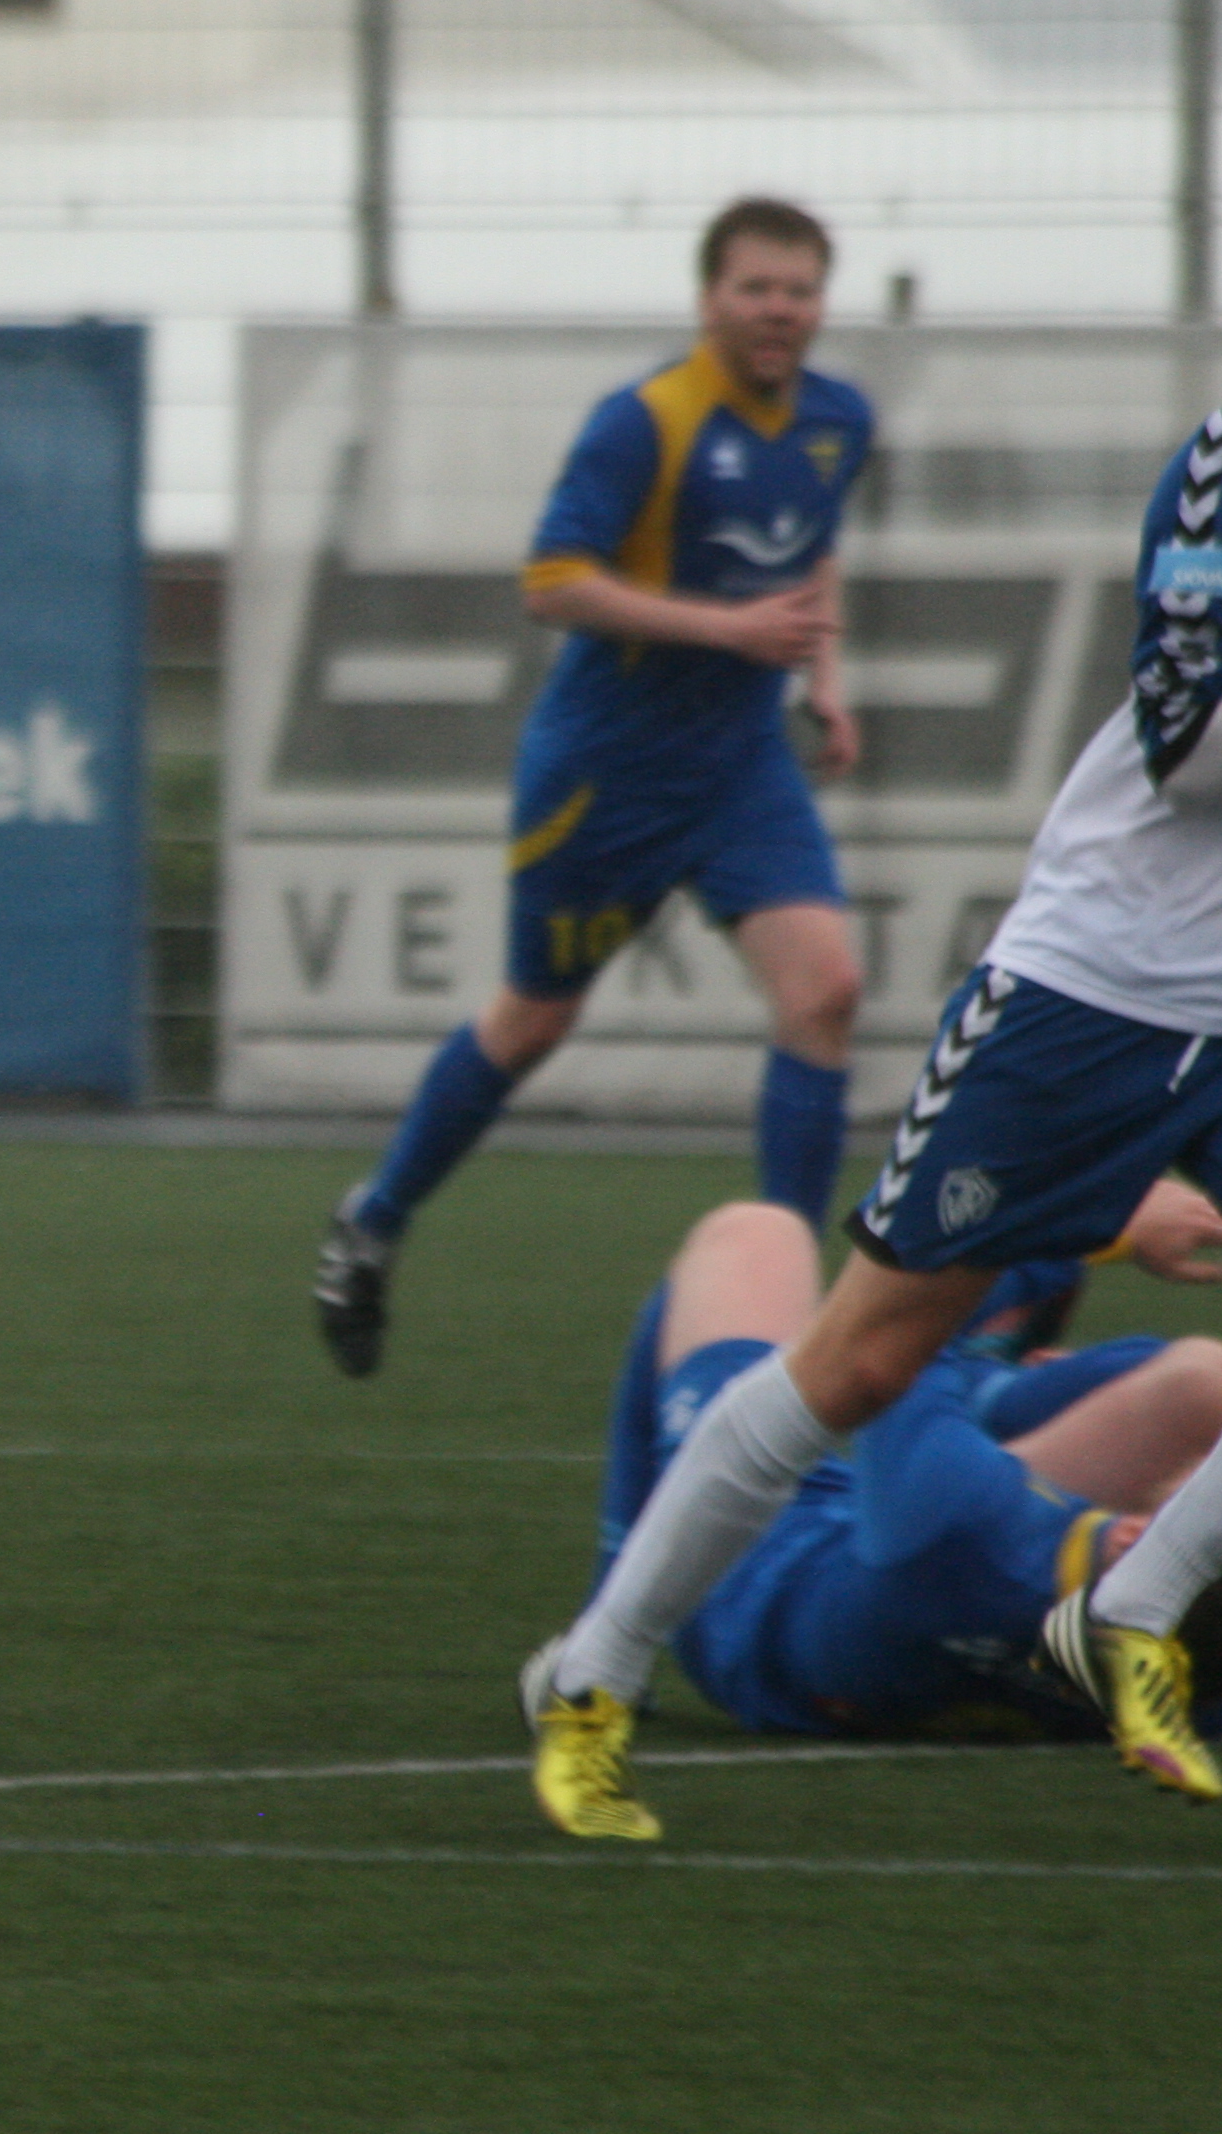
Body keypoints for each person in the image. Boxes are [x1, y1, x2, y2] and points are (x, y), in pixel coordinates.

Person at [522, 380, 1222, 1839]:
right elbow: (1191, 745)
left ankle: (1136, 1607)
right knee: (860, 1362)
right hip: (1094, 994)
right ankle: (596, 1678)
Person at [316, 198, 872, 1378]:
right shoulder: (646, 422)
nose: (779, 311)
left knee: (825, 992)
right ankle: (376, 1217)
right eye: (756, 288)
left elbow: (811, 543)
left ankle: (790, 1306)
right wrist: (728, 630)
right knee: (535, 1019)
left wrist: (825, 677)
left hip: (740, 768)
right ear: (709, 298)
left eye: (799, 290)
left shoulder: (839, 420)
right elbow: (551, 582)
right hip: (605, 779)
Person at [568, 1193, 1222, 1796]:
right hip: (948, 1616)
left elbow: (900, 1323)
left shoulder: (956, 1522)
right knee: (1209, 1389)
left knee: (756, 1233)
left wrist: (1097, 1228)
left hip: (746, 1592)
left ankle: (615, 1615)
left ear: (1134, 1534)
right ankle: (992, 1391)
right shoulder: (1205, 1700)